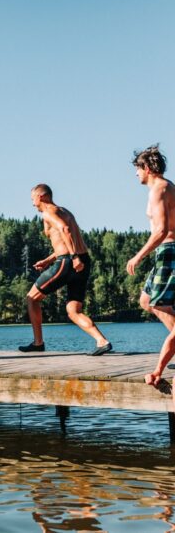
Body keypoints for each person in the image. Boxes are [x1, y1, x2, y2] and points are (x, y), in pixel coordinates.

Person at [18, 184, 112, 355]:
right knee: (73, 310)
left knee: (32, 298)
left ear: (41, 197)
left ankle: (38, 343)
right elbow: (66, 239)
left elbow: (64, 229)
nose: (32, 204)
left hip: (69, 261)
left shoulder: (49, 212)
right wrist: (48, 260)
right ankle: (102, 341)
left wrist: (73, 257)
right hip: (82, 260)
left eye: (33, 199)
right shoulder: (65, 211)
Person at [124, 146, 175, 386]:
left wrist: (138, 256)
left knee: (159, 303)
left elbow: (162, 230)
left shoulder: (160, 189)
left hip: (169, 250)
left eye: (137, 169)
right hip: (165, 251)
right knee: (146, 301)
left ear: (146, 168)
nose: (136, 175)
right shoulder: (161, 188)